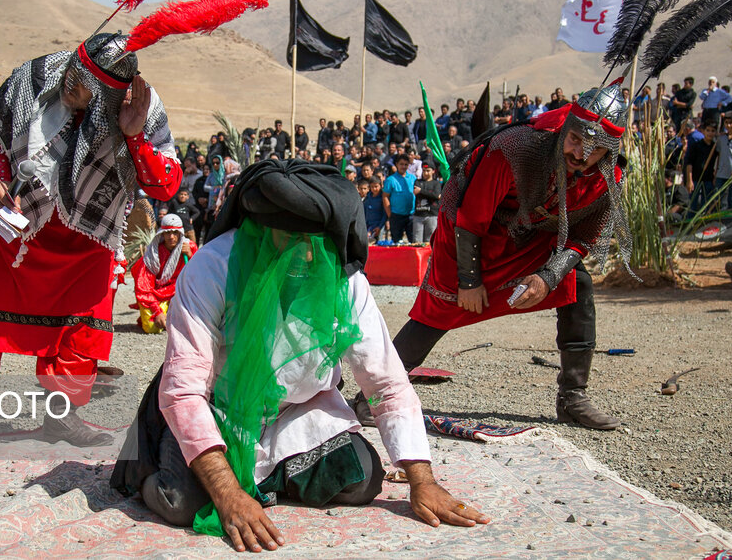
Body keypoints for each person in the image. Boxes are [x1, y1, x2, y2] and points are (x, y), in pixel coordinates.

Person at [111, 160, 489, 550]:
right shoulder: (213, 268)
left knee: (362, 479)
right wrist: (226, 494)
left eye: (317, 244)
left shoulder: (346, 281)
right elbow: (184, 391)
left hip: (296, 411)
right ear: (260, 230)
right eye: (290, 240)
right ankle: (161, 462)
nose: (306, 256)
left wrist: (422, 481)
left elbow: (386, 383)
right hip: (216, 406)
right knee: (182, 504)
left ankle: (261, 479)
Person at [0, 31, 181, 463]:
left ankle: (62, 417)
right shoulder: (35, 76)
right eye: (73, 74)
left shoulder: (142, 108)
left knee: (82, 331)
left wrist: (134, 137)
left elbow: (164, 182)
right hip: (17, 227)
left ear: (109, 96)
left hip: (89, 235)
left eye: (83, 88)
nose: (69, 86)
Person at [359, 86, 635, 431]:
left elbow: (583, 238)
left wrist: (548, 276)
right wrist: (469, 281)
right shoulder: (516, 148)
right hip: (469, 230)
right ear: (566, 129)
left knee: (577, 284)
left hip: (533, 237)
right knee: (440, 309)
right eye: (575, 139)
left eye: (593, 149)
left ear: (608, 150)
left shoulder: (610, 177)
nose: (580, 153)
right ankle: (373, 398)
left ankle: (573, 398)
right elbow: (472, 216)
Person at [131, 214, 197, 333]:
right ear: (162, 234)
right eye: (167, 233)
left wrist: (191, 256)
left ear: (181, 234)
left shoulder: (189, 247)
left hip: (178, 295)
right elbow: (144, 288)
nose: (171, 237)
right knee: (152, 328)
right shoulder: (153, 255)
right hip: (155, 296)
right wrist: (157, 312)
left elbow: (198, 277)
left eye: (175, 233)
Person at [382, 154, 416, 243]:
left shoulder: (413, 178)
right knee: (397, 242)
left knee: (414, 242)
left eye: (406, 164)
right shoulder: (390, 179)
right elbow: (385, 196)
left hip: (411, 215)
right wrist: (390, 214)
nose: (403, 166)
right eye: (401, 164)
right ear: (396, 164)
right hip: (396, 215)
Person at [412, 164, 441, 243]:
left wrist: (421, 191)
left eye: (428, 171)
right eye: (424, 171)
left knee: (430, 241)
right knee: (417, 241)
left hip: (432, 215)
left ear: (433, 171)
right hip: (419, 215)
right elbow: (415, 191)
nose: (425, 173)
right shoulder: (418, 182)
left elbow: (437, 195)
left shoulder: (436, 183)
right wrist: (431, 194)